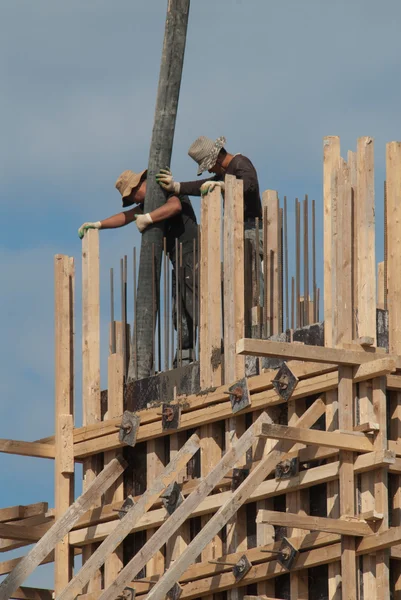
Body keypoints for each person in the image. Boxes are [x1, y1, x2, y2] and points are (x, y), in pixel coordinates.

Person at [78, 168, 198, 366]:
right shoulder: (148, 203)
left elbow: (175, 206)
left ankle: (214, 347)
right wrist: (98, 224)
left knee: (195, 304)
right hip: (178, 260)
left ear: (140, 184)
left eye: (133, 195)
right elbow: (127, 217)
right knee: (180, 311)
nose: (135, 201)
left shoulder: (167, 191)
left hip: (191, 254)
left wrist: (149, 218)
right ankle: (185, 355)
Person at [156, 135, 263, 300]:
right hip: (239, 230)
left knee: (253, 277)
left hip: (251, 229)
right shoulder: (225, 172)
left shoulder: (240, 163)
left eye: (210, 166)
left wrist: (225, 186)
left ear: (218, 158)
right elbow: (201, 186)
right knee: (241, 279)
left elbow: (250, 185)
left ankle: (258, 313)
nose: (210, 170)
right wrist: (177, 187)